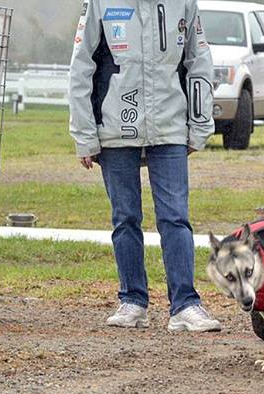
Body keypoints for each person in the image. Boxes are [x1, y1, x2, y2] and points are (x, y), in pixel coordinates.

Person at [69, 0, 221, 332]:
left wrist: (199, 125)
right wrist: (84, 134)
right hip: (114, 130)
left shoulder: (184, 3)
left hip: (169, 127)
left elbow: (199, 61)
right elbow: (81, 67)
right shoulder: (99, 3)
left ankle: (186, 305)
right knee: (125, 218)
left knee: (175, 217)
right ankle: (132, 301)